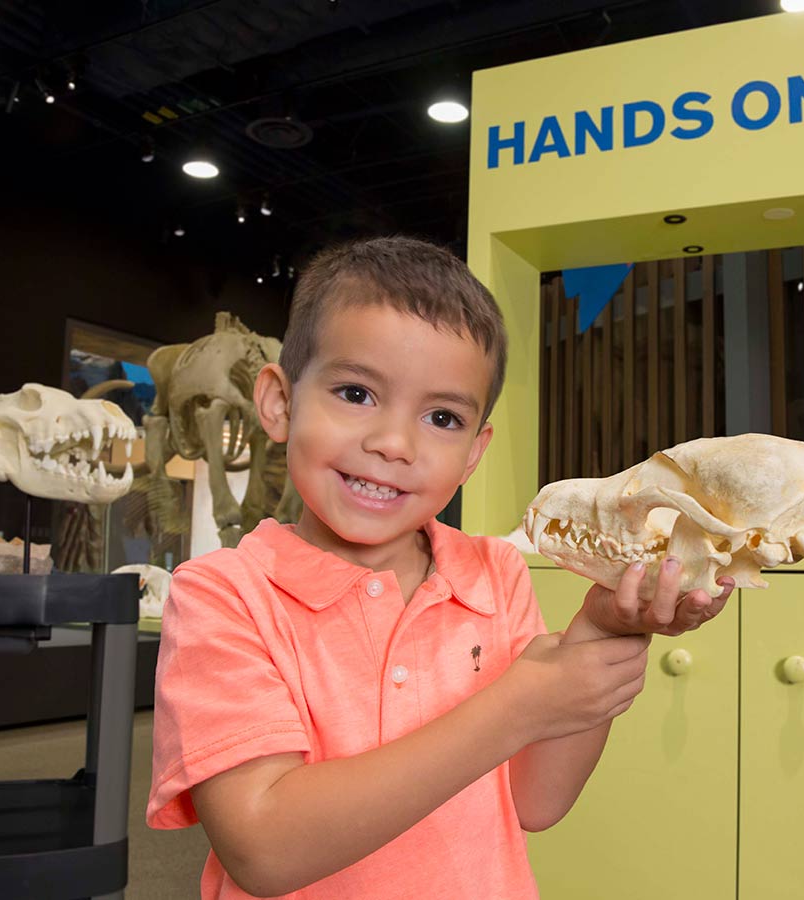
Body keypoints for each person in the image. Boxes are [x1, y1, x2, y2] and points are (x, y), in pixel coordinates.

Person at [146, 236, 734, 899]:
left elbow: (536, 801)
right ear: (279, 402)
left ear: (474, 451)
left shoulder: (495, 574)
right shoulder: (223, 596)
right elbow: (264, 847)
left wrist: (606, 629)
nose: (394, 444)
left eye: (442, 417)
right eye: (355, 392)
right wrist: (517, 707)